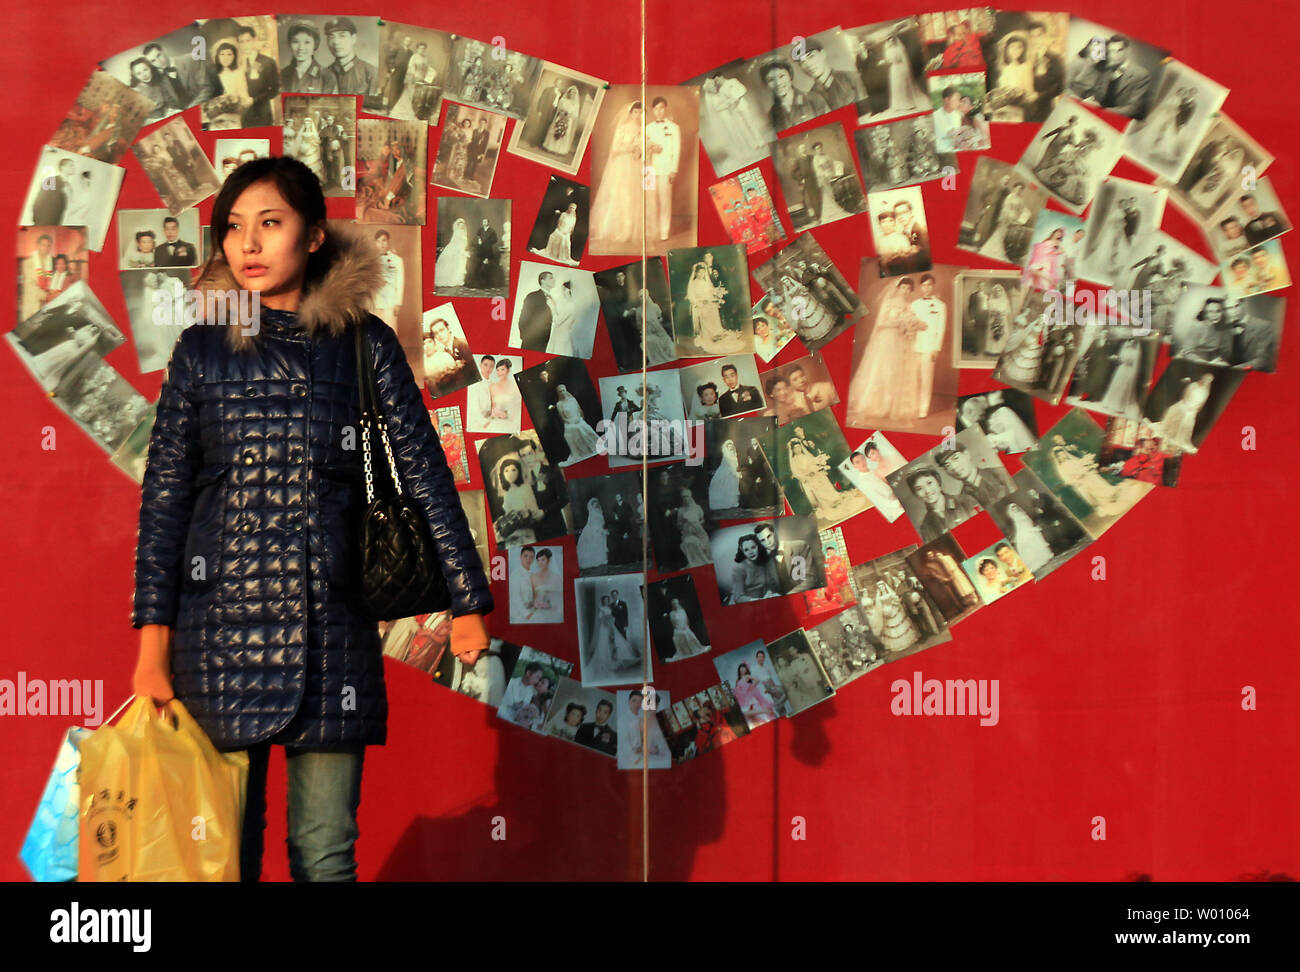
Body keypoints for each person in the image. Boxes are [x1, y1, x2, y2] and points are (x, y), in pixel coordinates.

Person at [130, 156, 492, 883]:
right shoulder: (201, 351)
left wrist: (467, 600)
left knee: (323, 858)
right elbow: (164, 504)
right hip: (216, 642)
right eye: (234, 229)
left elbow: (424, 473)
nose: (249, 245)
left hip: (331, 638)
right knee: (220, 859)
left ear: (316, 236)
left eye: (270, 224)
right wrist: (152, 647)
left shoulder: (364, 344)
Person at [849, 277, 922, 421]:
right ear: (898, 288)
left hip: (901, 341)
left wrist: (908, 325)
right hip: (887, 340)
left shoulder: (909, 306)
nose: (905, 291)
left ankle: (891, 406)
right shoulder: (888, 302)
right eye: (903, 287)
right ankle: (878, 405)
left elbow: (911, 324)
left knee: (897, 372)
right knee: (884, 370)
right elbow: (881, 322)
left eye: (908, 289)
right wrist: (898, 322)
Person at [590, 102, 644, 245]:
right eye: (635, 112)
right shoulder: (622, 128)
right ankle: (613, 229)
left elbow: (640, 150)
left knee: (631, 197)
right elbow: (615, 149)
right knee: (618, 195)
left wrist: (638, 150)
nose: (637, 115)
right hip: (621, 165)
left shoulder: (640, 129)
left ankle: (628, 231)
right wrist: (631, 147)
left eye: (640, 112)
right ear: (630, 113)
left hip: (634, 165)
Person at [935, 442, 1013, 511]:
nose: (954, 467)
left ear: (967, 454)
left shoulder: (1000, 473)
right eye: (947, 465)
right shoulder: (962, 499)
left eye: (956, 458)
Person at [907, 467, 978, 542]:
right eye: (919, 488)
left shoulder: (966, 501)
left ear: (938, 482)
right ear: (915, 494)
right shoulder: (926, 527)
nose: (927, 491)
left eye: (929, 483)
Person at [760, 58, 828, 131]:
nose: (778, 83)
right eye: (771, 80)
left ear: (790, 75)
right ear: (766, 84)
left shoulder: (814, 99)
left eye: (781, 76)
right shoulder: (771, 116)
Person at [282, 21, 339, 94]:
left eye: (307, 42)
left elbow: (331, 104)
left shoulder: (327, 77)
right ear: (290, 44)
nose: (301, 48)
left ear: (315, 45)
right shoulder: (282, 75)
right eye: (295, 41)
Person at [552, 384, 600, 465]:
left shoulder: (573, 400)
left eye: (563, 390)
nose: (562, 392)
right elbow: (563, 417)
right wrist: (570, 421)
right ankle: (581, 452)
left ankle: (593, 447)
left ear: (566, 390)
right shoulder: (559, 404)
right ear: (558, 393)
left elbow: (579, 411)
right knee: (570, 432)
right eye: (560, 391)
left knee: (583, 427)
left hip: (578, 419)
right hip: (569, 422)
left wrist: (577, 419)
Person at [372, 230, 404, 329]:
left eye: (384, 240)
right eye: (378, 241)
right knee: (374, 331)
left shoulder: (397, 260)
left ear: (388, 241)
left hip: (390, 301)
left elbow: (400, 282)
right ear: (375, 243)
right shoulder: (370, 260)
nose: (381, 244)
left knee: (390, 329)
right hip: (374, 301)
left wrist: (398, 303)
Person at [674, 488, 712, 566]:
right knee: (691, 542)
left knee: (704, 541)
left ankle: (704, 560)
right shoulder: (681, 510)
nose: (685, 499)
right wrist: (684, 523)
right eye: (683, 497)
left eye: (687, 496)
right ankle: (696, 562)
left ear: (690, 497)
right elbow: (678, 525)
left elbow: (702, 520)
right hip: (687, 533)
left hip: (699, 531)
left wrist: (698, 524)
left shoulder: (697, 507)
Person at [435, 216, 469, 289]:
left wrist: (463, 249)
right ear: (458, 225)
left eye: (463, 225)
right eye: (460, 225)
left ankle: (458, 280)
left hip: (461, 249)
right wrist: (459, 250)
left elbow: (465, 242)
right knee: (454, 265)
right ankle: (452, 279)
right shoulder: (457, 233)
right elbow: (454, 243)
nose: (462, 226)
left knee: (460, 265)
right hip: (456, 250)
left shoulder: (464, 233)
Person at [710, 439, 742, 511]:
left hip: (734, 471)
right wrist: (733, 471)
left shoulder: (734, 454)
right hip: (728, 472)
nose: (731, 447)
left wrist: (737, 471)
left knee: (733, 488)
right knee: (727, 487)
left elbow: (736, 464)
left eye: (731, 446)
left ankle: (733, 503)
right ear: (727, 447)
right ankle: (726, 503)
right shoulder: (726, 455)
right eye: (729, 446)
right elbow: (727, 465)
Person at [577, 497, 609, 569]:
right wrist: (597, 529)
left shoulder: (599, 511)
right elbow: (591, 522)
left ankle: (601, 559)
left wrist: (602, 528)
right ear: (592, 505)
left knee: (600, 543)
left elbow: (602, 521)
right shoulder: (592, 512)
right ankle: (595, 560)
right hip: (594, 529)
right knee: (595, 543)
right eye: (593, 504)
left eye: (596, 504)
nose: (595, 505)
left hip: (600, 528)